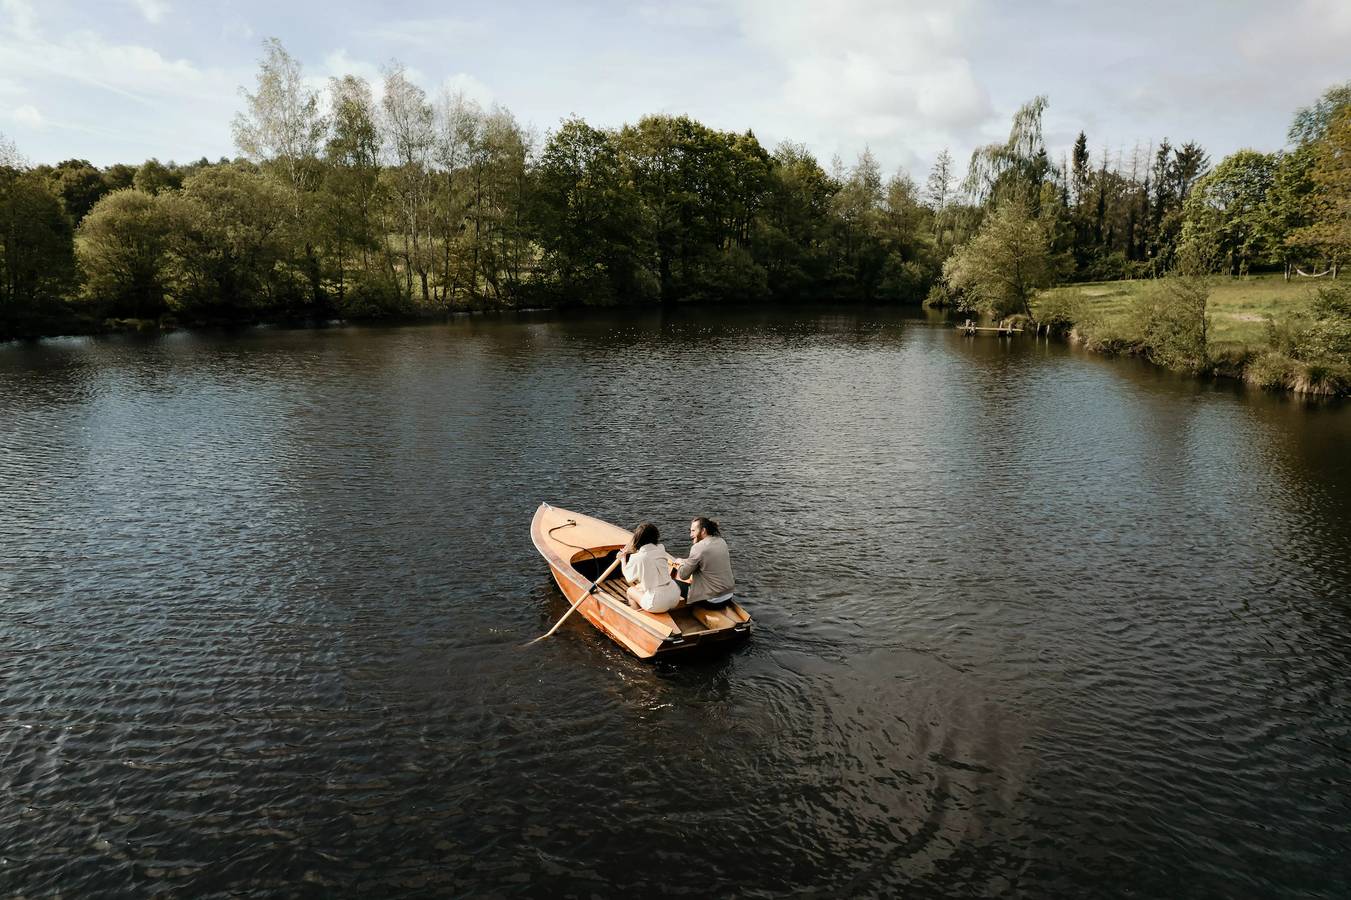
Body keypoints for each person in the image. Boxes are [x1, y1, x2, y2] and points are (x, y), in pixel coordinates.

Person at [617, 522, 681, 614]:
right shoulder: (661, 548)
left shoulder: (637, 557)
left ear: (638, 540)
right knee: (639, 587)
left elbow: (628, 578)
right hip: (674, 596)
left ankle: (639, 617)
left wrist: (623, 559)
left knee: (630, 591)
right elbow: (648, 551)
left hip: (658, 603)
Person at [672, 516, 735, 606]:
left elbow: (683, 575)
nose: (690, 535)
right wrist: (686, 561)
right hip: (729, 596)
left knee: (670, 583)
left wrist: (680, 564)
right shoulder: (721, 541)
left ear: (703, 531)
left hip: (711, 601)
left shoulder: (698, 548)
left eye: (693, 531)